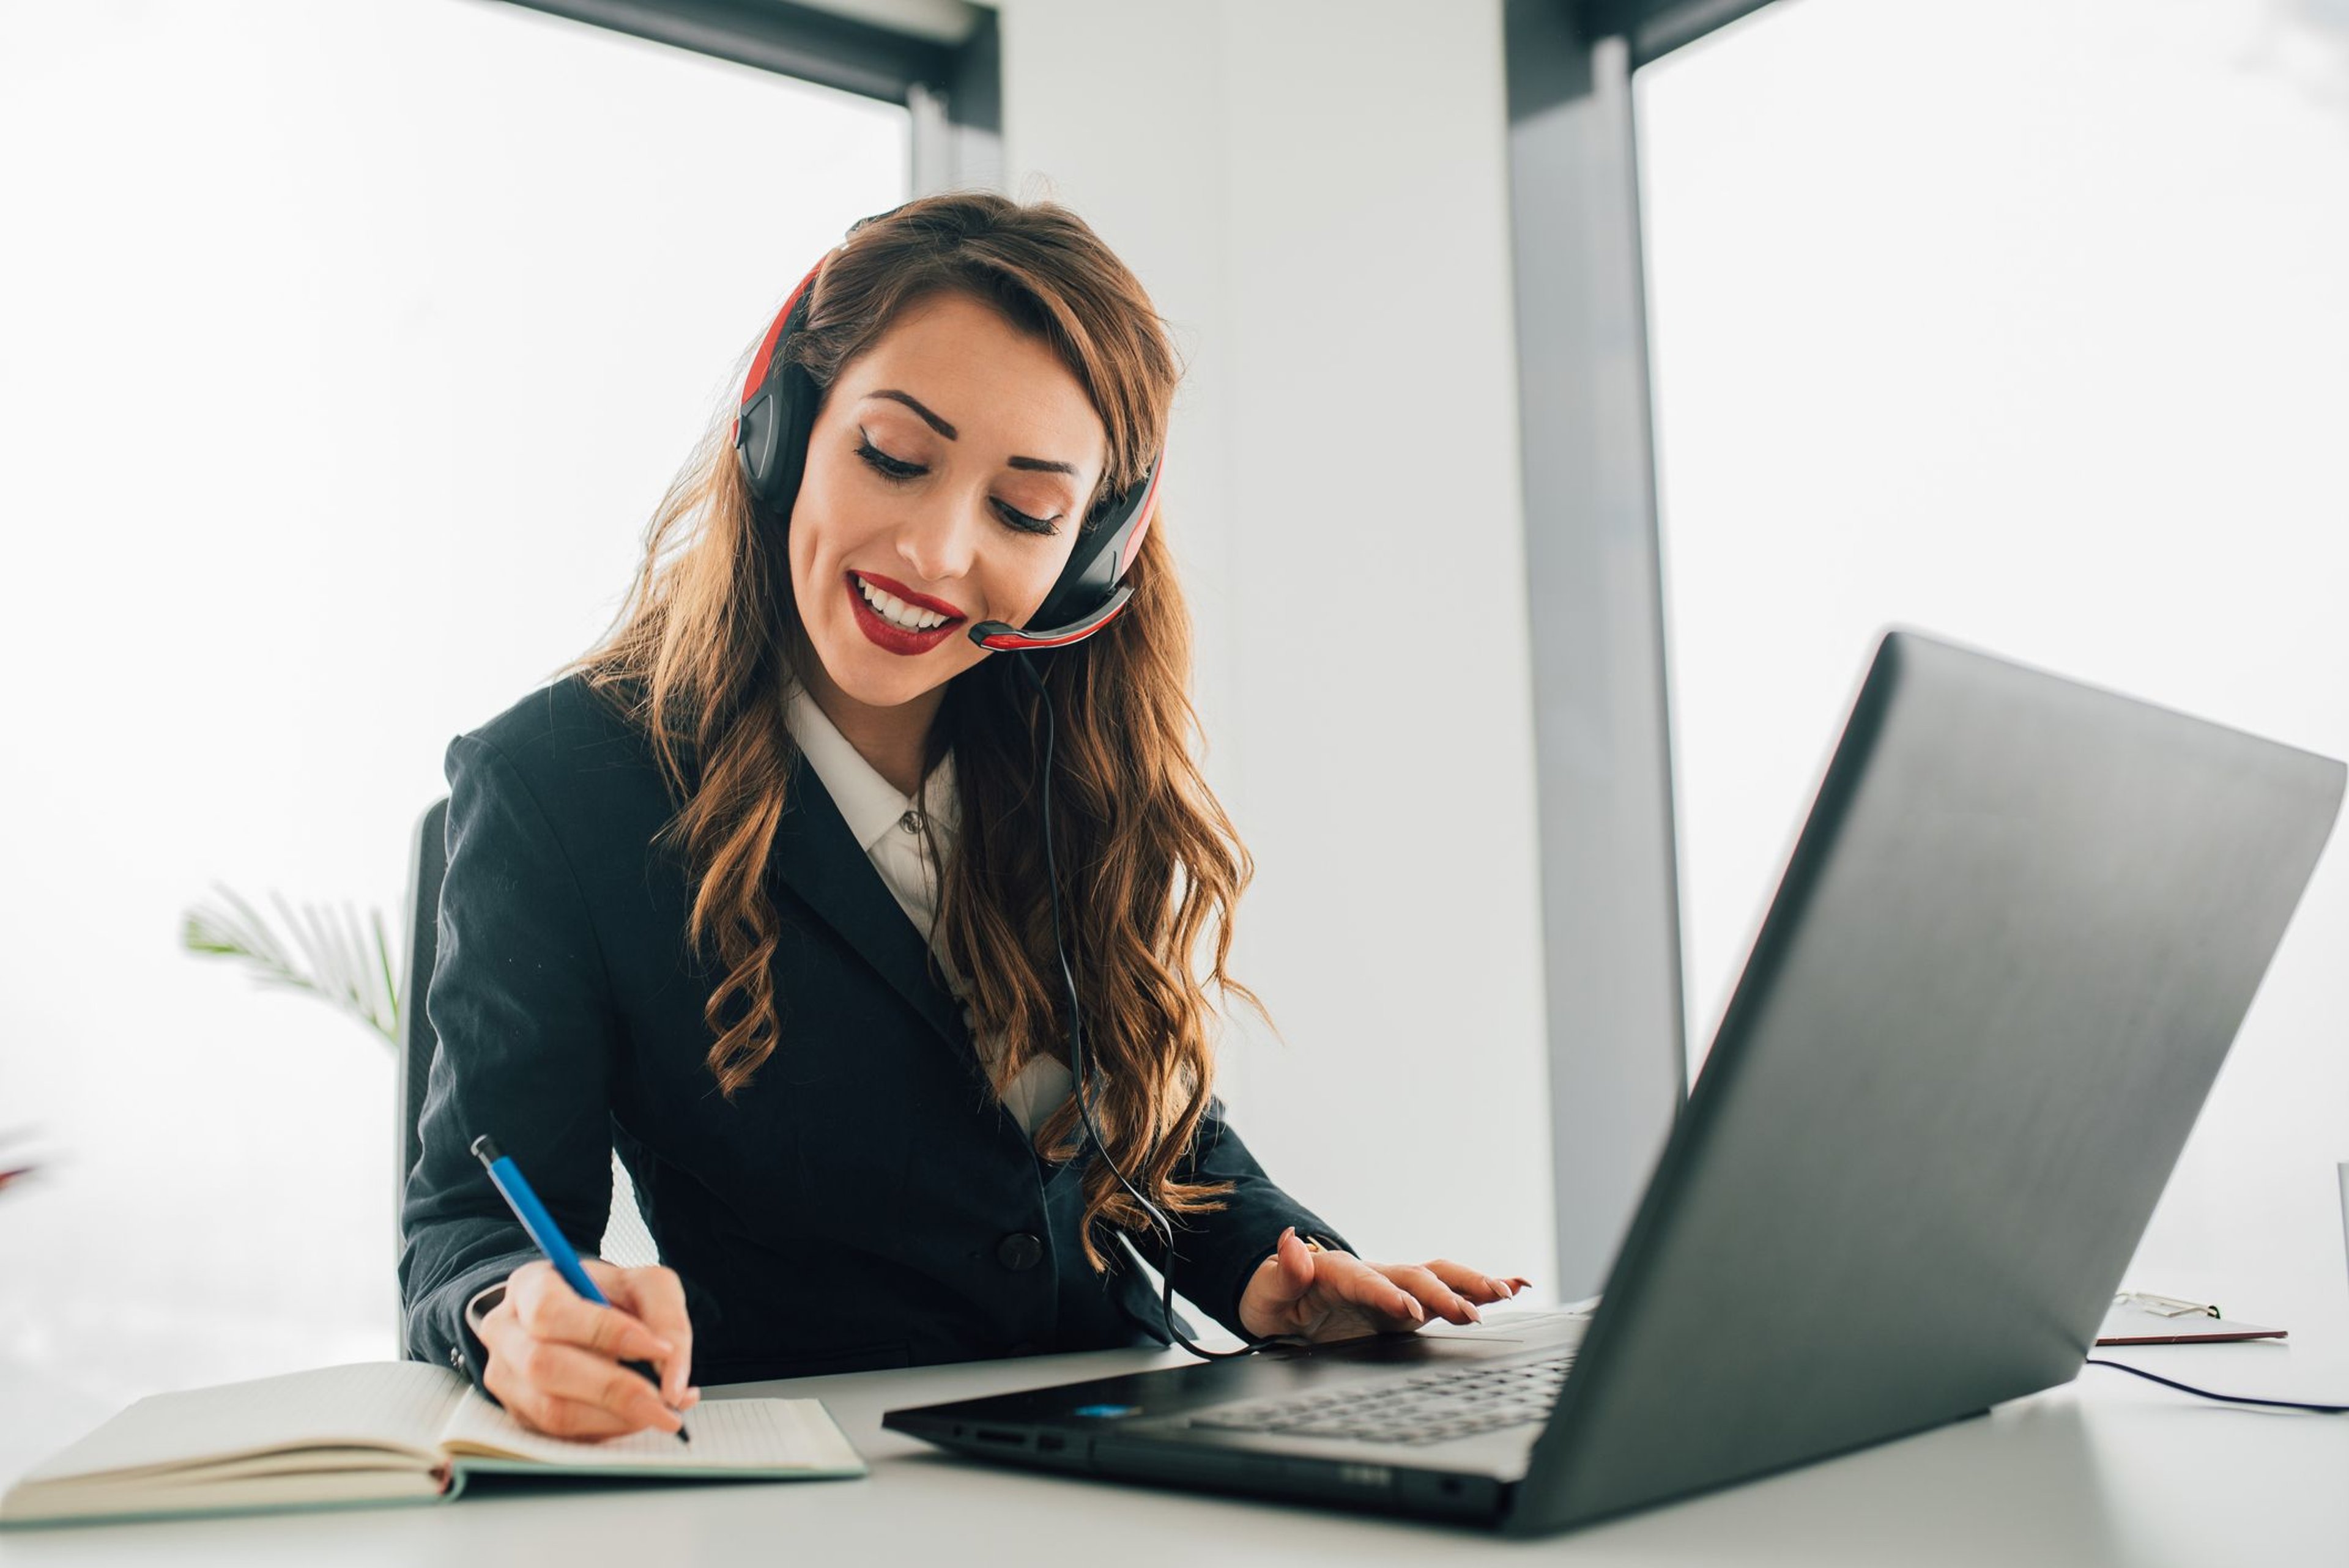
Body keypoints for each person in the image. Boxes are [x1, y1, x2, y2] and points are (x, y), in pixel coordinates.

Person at [398, 191, 1527, 1441]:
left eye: (1026, 512)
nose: (937, 550)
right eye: (893, 456)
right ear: (782, 431)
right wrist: (514, 1314)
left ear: (1088, 558)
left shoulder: (1069, 753)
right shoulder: (558, 785)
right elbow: (468, 1229)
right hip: (834, 1482)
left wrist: (1274, 1270)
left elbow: (1126, 1114)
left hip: (1129, 1448)